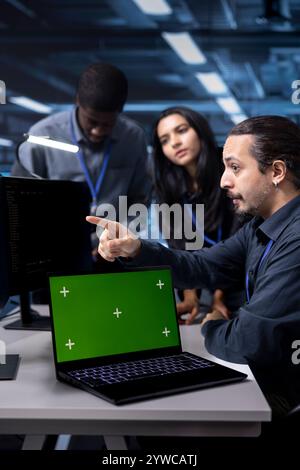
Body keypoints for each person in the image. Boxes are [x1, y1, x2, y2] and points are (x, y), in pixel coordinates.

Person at [87, 115, 300, 415]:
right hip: (269, 377)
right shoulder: (259, 226)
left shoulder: (295, 239)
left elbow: (248, 342)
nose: (224, 180)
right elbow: (202, 265)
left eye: (235, 168)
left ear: (277, 171)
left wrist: (211, 323)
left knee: (159, 424)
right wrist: (136, 249)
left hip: (285, 393)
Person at [11, 62, 150, 214]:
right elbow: (18, 200)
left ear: (120, 111)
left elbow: (140, 196)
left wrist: (125, 230)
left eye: (108, 124)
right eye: (92, 121)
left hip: (114, 234)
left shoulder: (134, 138)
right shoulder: (41, 136)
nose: (97, 131)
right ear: (77, 101)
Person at [151, 107, 243, 324]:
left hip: (238, 279)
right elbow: (178, 247)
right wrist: (191, 296)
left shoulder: (230, 172)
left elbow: (241, 244)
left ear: (199, 130)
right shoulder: (167, 188)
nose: (174, 143)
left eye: (181, 130)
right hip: (201, 274)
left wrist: (218, 298)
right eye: (164, 140)